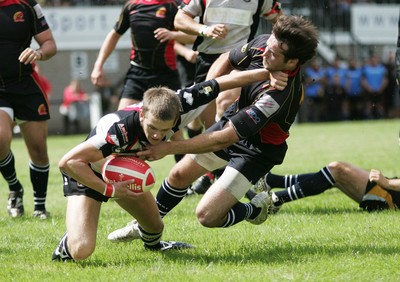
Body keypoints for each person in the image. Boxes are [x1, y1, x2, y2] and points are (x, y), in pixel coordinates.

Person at [108, 15, 319, 241]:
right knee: (178, 175)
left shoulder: (278, 96)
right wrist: (206, 91)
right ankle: (143, 226)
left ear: (291, 63)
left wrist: (169, 147)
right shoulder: (266, 43)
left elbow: (224, 139)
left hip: (257, 151)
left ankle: (254, 210)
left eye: (274, 54)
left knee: (207, 215)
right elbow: (228, 58)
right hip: (232, 122)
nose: (265, 53)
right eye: (268, 47)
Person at [51, 66, 276, 261]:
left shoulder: (183, 101)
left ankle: (155, 247)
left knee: (155, 226)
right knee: (82, 250)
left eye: (164, 130)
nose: (158, 136)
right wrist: (108, 189)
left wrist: (270, 73)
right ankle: (67, 243)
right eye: (152, 128)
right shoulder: (118, 131)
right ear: (142, 116)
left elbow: (222, 82)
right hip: (87, 172)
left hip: (121, 173)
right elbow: (68, 162)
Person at [175, 0, 284, 192]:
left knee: (226, 105)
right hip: (207, 59)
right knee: (208, 124)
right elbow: (179, 19)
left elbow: (280, 21)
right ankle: (216, 173)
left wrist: (277, 52)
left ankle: (241, 175)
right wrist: (204, 30)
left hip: (241, 58)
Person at [0, 0, 57, 219]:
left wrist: (39, 53)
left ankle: (39, 206)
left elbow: (50, 43)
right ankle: (15, 188)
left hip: (26, 85)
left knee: (39, 149)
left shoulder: (26, 5)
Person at [91, 0, 190, 110]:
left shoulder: (172, 6)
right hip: (137, 75)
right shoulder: (131, 5)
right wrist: (98, 65)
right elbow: (114, 35)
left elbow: (192, 37)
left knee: (173, 123)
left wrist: (173, 35)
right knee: (121, 120)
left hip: (165, 74)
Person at [251, 161, 400, 213]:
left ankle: (275, 200)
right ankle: (272, 181)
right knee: (336, 173)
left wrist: (387, 183)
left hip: (391, 199)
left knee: (337, 170)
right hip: (393, 189)